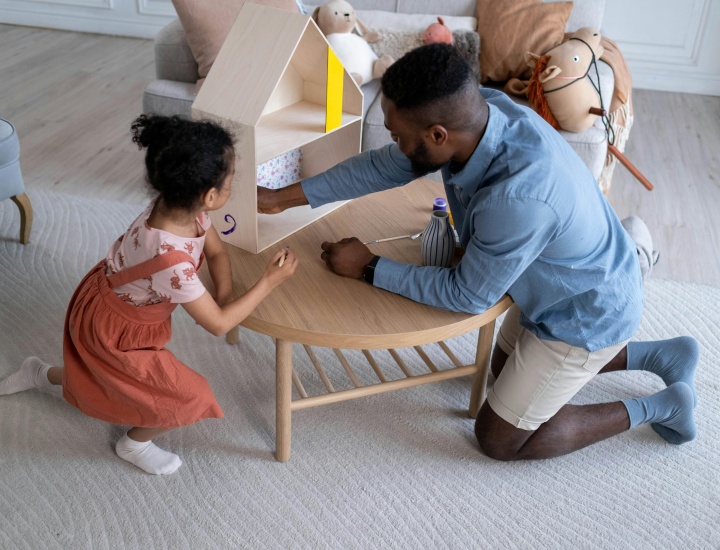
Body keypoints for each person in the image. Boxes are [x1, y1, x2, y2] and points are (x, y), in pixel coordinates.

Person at [256, 44, 698, 461]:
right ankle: (660, 356)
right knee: (500, 375)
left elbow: (468, 296)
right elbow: (384, 166)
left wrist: (369, 266)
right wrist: (279, 198)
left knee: (500, 438)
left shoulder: (517, 201)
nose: (393, 142)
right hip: (546, 280)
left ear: (437, 134)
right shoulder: (486, 111)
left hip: (586, 310)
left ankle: (663, 406)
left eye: (397, 134)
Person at [0, 115, 298, 474]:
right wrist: (269, 281)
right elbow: (217, 326)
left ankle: (38, 373)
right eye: (231, 180)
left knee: (103, 374)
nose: (233, 186)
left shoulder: (180, 208)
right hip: (114, 327)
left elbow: (216, 253)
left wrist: (223, 296)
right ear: (210, 195)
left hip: (114, 305)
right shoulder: (170, 261)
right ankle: (134, 442)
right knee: (190, 396)